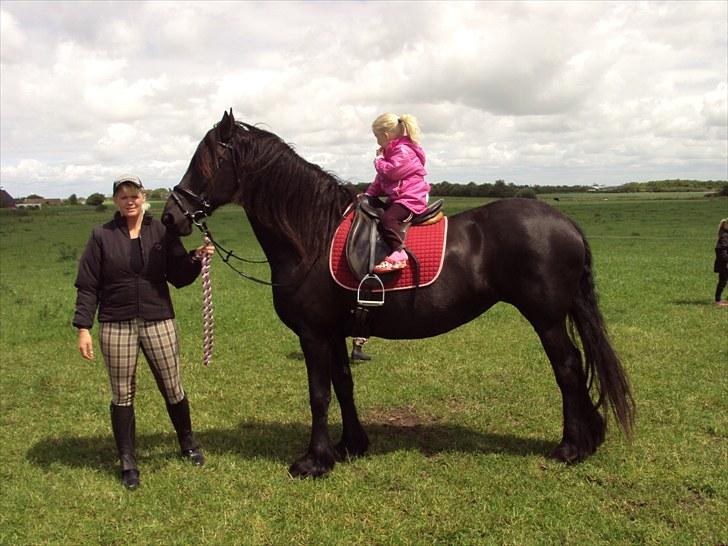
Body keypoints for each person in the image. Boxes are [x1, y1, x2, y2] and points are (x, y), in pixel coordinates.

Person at [73, 175, 214, 490]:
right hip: (115, 324)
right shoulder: (101, 236)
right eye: (122, 196)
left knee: (173, 385)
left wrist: (195, 258)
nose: (129, 201)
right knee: (122, 394)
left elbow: (177, 274)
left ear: (143, 196)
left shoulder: (162, 232)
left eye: (133, 195)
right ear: (115, 201)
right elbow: (88, 285)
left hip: (158, 319)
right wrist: (84, 326)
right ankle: (128, 461)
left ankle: (188, 443)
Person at [364, 113, 430, 274]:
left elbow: (392, 173)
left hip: (411, 199)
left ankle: (399, 254)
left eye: (377, 137)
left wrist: (378, 160)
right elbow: (381, 180)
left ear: (385, 136)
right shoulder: (391, 154)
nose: (377, 142)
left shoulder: (403, 151)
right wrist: (367, 195)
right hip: (399, 198)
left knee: (388, 218)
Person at [714, 218, 728, 306]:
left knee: (723, 281)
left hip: (724, 263)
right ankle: (718, 301)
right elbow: (721, 251)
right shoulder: (725, 236)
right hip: (724, 264)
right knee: (722, 281)